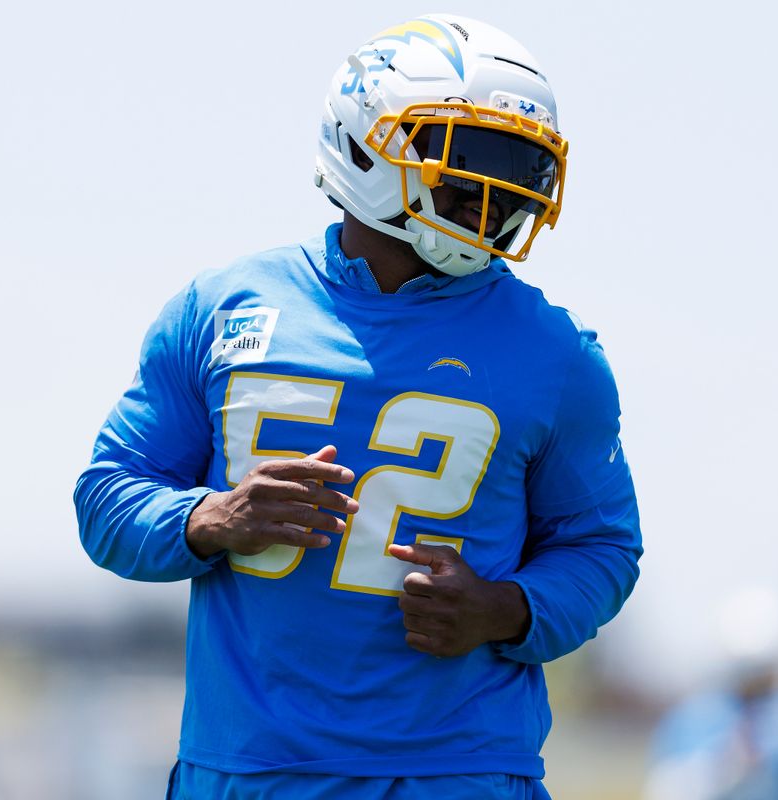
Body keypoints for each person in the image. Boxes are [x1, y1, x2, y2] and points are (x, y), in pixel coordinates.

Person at [75, 14, 642, 799]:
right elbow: (106, 497)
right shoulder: (221, 308)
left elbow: (603, 548)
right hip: (250, 769)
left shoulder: (557, 354)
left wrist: (503, 608)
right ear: (367, 142)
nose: (497, 194)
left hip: (458, 771)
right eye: (471, 159)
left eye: (520, 166)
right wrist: (213, 519)